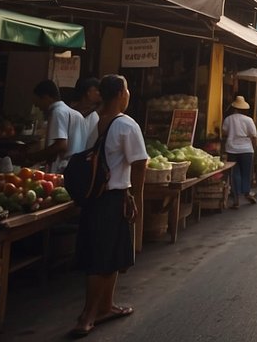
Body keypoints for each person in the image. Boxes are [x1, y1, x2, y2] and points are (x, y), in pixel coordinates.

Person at [72, 74, 146, 337]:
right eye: (126, 90)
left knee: (110, 255)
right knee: (102, 259)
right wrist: (136, 195)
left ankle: (106, 306)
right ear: (119, 94)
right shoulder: (126, 125)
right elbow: (139, 163)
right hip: (113, 197)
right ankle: (87, 315)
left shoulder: (97, 122)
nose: (128, 95)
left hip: (96, 197)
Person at [32, 79, 81, 172]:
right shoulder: (74, 113)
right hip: (75, 168)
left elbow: (61, 145)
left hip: (62, 170)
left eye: (38, 102)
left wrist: (33, 157)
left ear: (46, 97)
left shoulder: (57, 112)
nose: (38, 107)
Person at [222, 96, 257, 208]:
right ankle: (247, 192)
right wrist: (254, 147)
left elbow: (224, 132)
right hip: (247, 149)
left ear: (234, 107)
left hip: (232, 149)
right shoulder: (248, 120)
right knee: (246, 172)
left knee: (235, 173)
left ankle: (236, 199)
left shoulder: (228, 119)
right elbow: (253, 135)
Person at [69, 76, 101, 157]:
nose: (99, 94)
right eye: (97, 90)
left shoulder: (94, 114)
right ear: (88, 92)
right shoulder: (71, 111)